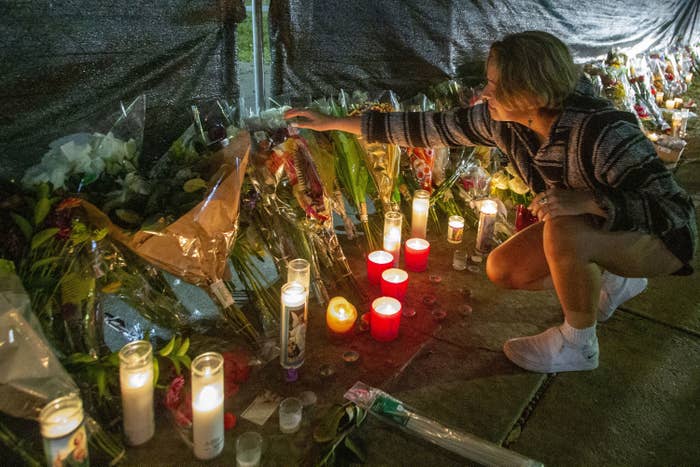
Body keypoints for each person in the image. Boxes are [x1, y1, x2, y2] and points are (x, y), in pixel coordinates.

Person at [284, 31, 697, 373]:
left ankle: (579, 345)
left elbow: (676, 213)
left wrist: (589, 200)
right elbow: (428, 127)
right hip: (601, 231)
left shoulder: (602, 131)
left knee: (566, 229)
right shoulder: (506, 124)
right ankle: (613, 276)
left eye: (495, 85)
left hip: (662, 242)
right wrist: (335, 123)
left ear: (531, 91)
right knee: (503, 269)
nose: (484, 92)